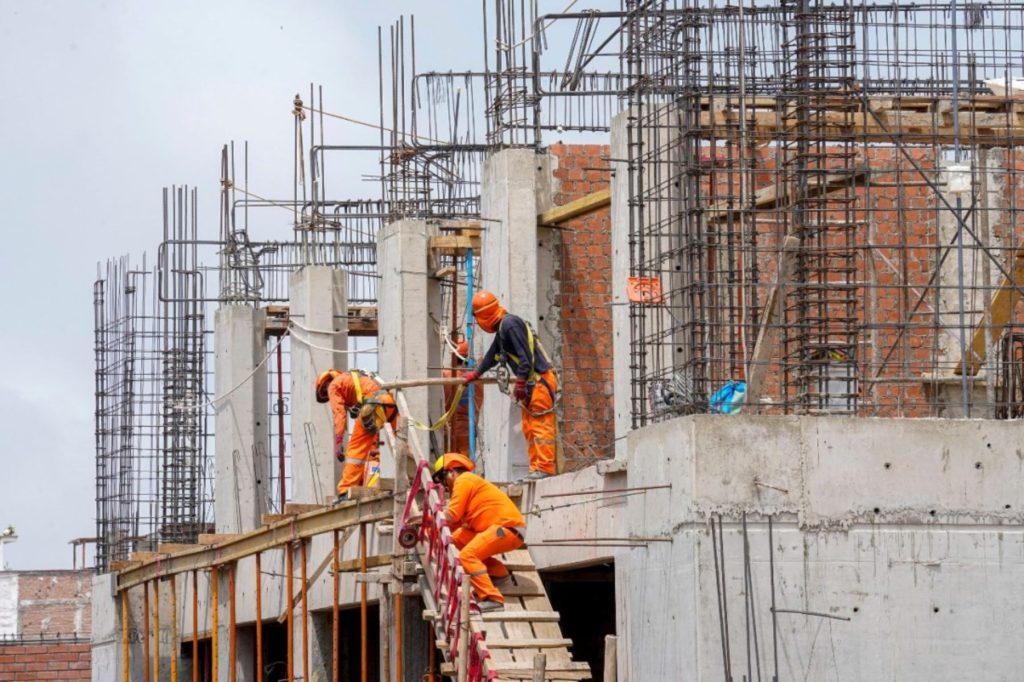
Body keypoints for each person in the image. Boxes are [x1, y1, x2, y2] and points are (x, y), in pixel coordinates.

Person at [462, 290, 558, 480]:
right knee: (529, 427)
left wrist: (520, 383)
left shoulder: (510, 325)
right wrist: (477, 372)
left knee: (540, 427)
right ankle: (536, 468)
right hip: (532, 383)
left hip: (539, 381)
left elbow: (526, 357)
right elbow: (492, 355)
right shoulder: (503, 328)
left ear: (483, 316)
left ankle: (545, 469)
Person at [432, 452, 525, 613]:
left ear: (452, 471)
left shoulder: (463, 480)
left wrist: (427, 519)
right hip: (500, 529)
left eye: (444, 478)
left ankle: (492, 599)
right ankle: (498, 574)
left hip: (506, 528)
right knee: (457, 539)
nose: (445, 486)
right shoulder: (468, 483)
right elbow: (457, 523)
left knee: (468, 556)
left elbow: (452, 515)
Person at [315, 369, 398, 499]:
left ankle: (345, 490)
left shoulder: (333, 386)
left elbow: (339, 414)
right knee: (400, 443)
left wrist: (338, 441)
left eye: (326, 394)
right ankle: (414, 476)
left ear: (325, 384)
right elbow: (365, 391)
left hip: (374, 406)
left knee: (355, 451)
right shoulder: (353, 377)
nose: (329, 396)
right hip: (389, 404)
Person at [443, 339, 483, 456]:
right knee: (465, 466)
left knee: (451, 467)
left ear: (454, 357)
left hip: (449, 431)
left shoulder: (446, 375)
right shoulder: (478, 380)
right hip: (469, 432)